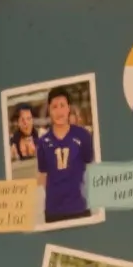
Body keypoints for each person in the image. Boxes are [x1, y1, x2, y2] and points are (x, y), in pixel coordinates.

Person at [35, 87, 94, 224]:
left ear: (69, 108)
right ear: (49, 111)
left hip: (80, 207)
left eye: (62, 105)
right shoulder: (43, 143)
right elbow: (42, 176)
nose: (59, 111)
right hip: (54, 211)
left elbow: (89, 167)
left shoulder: (83, 135)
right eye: (54, 107)